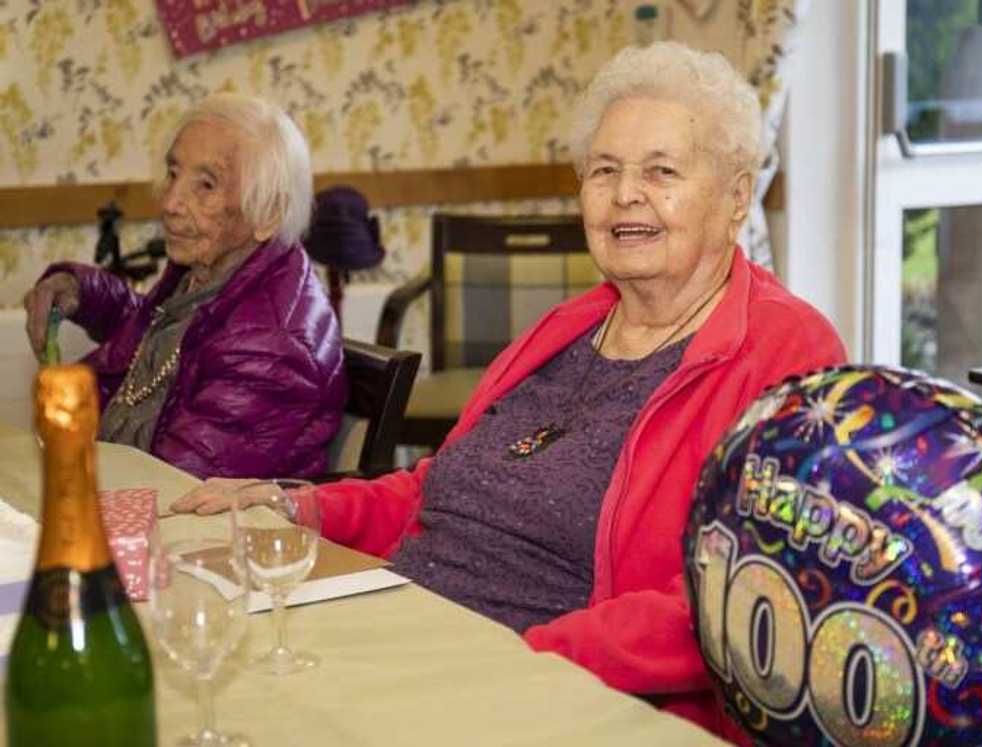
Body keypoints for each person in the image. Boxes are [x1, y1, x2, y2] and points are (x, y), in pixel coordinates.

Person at [173, 42, 846, 741]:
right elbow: (444, 488)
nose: (624, 195)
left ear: (737, 196)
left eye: (661, 171)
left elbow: (735, 600)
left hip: (548, 696)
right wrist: (298, 505)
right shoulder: (568, 326)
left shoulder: (788, 353)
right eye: (604, 170)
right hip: (406, 631)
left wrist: (519, 660)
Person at [23, 93, 345, 479]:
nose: (171, 202)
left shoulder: (270, 346)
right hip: (123, 486)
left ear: (268, 212)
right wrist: (83, 290)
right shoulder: (214, 271)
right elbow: (159, 335)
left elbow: (175, 485)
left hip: (189, 523)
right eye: (174, 174)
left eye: (206, 185)